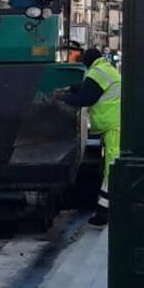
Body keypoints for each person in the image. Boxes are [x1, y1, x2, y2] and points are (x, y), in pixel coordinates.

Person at [56, 48, 121, 227]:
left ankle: (103, 213)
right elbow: (88, 88)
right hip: (115, 126)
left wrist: (63, 98)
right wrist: (70, 88)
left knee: (111, 171)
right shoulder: (105, 69)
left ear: (87, 61)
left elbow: (86, 97)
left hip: (114, 127)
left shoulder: (96, 72)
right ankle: (106, 210)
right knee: (110, 170)